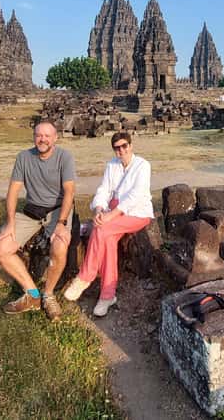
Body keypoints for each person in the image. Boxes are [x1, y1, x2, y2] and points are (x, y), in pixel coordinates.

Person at [63, 131, 153, 316]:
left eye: (124, 146)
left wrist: (110, 216)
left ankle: (85, 276)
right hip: (112, 213)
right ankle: (107, 296)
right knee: (107, 239)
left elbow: (136, 196)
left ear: (131, 146)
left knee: (102, 229)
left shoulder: (143, 165)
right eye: (117, 148)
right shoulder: (112, 165)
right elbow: (104, 189)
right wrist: (98, 210)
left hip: (136, 213)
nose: (121, 151)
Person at [0, 121, 75, 321]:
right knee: (1, 248)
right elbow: (13, 191)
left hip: (57, 211)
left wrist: (61, 223)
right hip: (32, 212)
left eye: (47, 135)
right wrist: (11, 222)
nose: (43, 139)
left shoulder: (64, 157)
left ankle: (48, 294)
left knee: (60, 246)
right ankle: (33, 294)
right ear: (34, 137)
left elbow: (69, 192)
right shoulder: (23, 157)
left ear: (55, 138)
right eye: (39, 135)